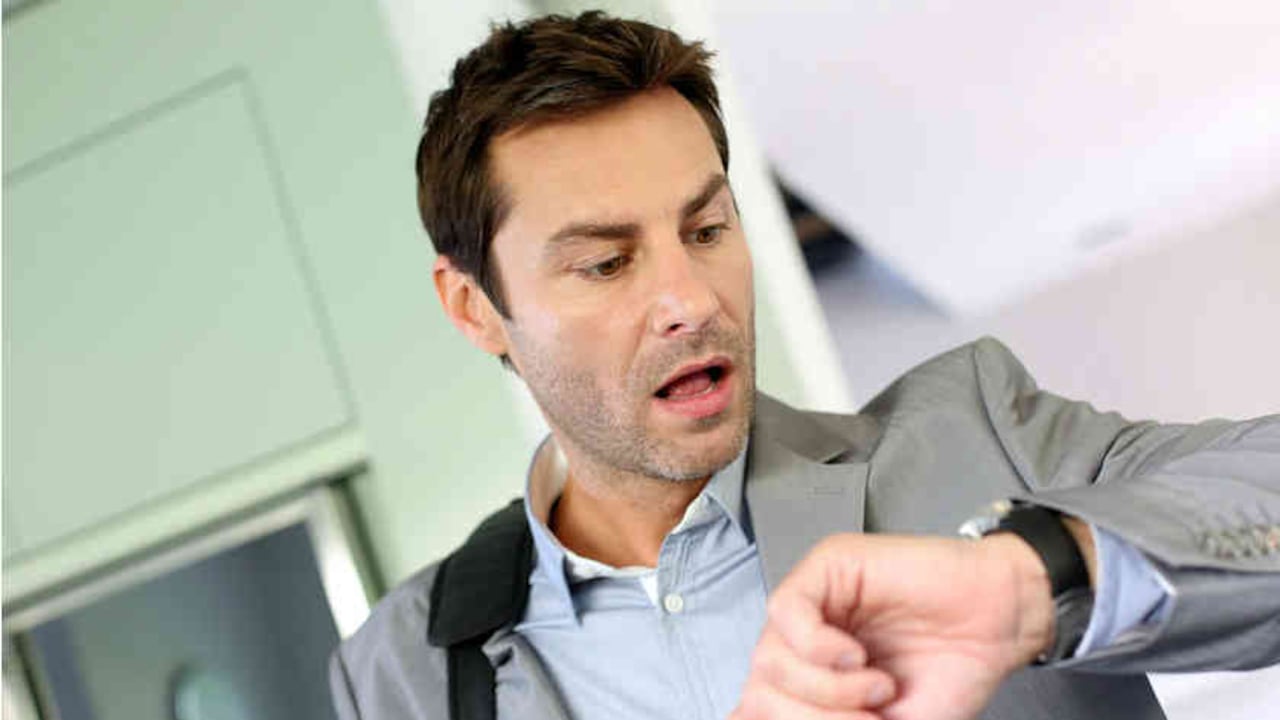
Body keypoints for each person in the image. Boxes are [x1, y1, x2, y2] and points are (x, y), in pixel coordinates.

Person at [328, 11, 1280, 720]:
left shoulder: (972, 439)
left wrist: (1030, 581)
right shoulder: (402, 672)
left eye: (707, 228)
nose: (691, 299)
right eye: (608, 263)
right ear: (474, 307)